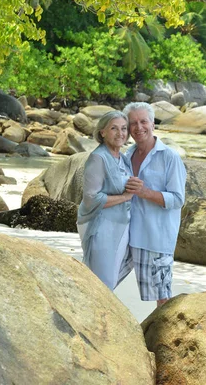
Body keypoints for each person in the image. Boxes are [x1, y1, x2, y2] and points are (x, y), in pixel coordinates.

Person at [122, 102, 187, 306]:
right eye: (133, 123)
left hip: (156, 238)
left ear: (153, 124)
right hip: (126, 235)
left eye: (143, 121)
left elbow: (177, 199)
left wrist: (145, 192)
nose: (138, 127)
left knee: (162, 299)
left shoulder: (170, 158)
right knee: (102, 281)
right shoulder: (126, 156)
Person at [77, 110, 133, 289]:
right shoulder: (98, 158)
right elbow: (91, 198)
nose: (120, 133)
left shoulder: (123, 159)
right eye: (114, 128)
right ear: (102, 132)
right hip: (100, 226)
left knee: (111, 279)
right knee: (102, 283)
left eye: (124, 128)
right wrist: (125, 197)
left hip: (121, 225)